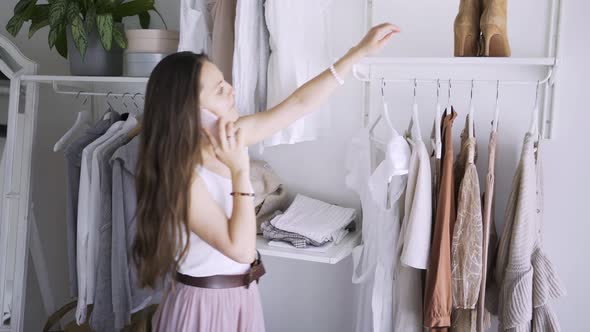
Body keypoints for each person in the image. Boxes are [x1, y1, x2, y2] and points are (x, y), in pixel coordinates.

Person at [132, 23, 399, 331]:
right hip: (203, 306)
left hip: (241, 298)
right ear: (190, 111)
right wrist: (239, 171)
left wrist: (357, 53)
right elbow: (242, 249)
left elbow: (298, 106)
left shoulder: (232, 136)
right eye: (220, 90)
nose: (231, 90)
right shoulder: (180, 175)